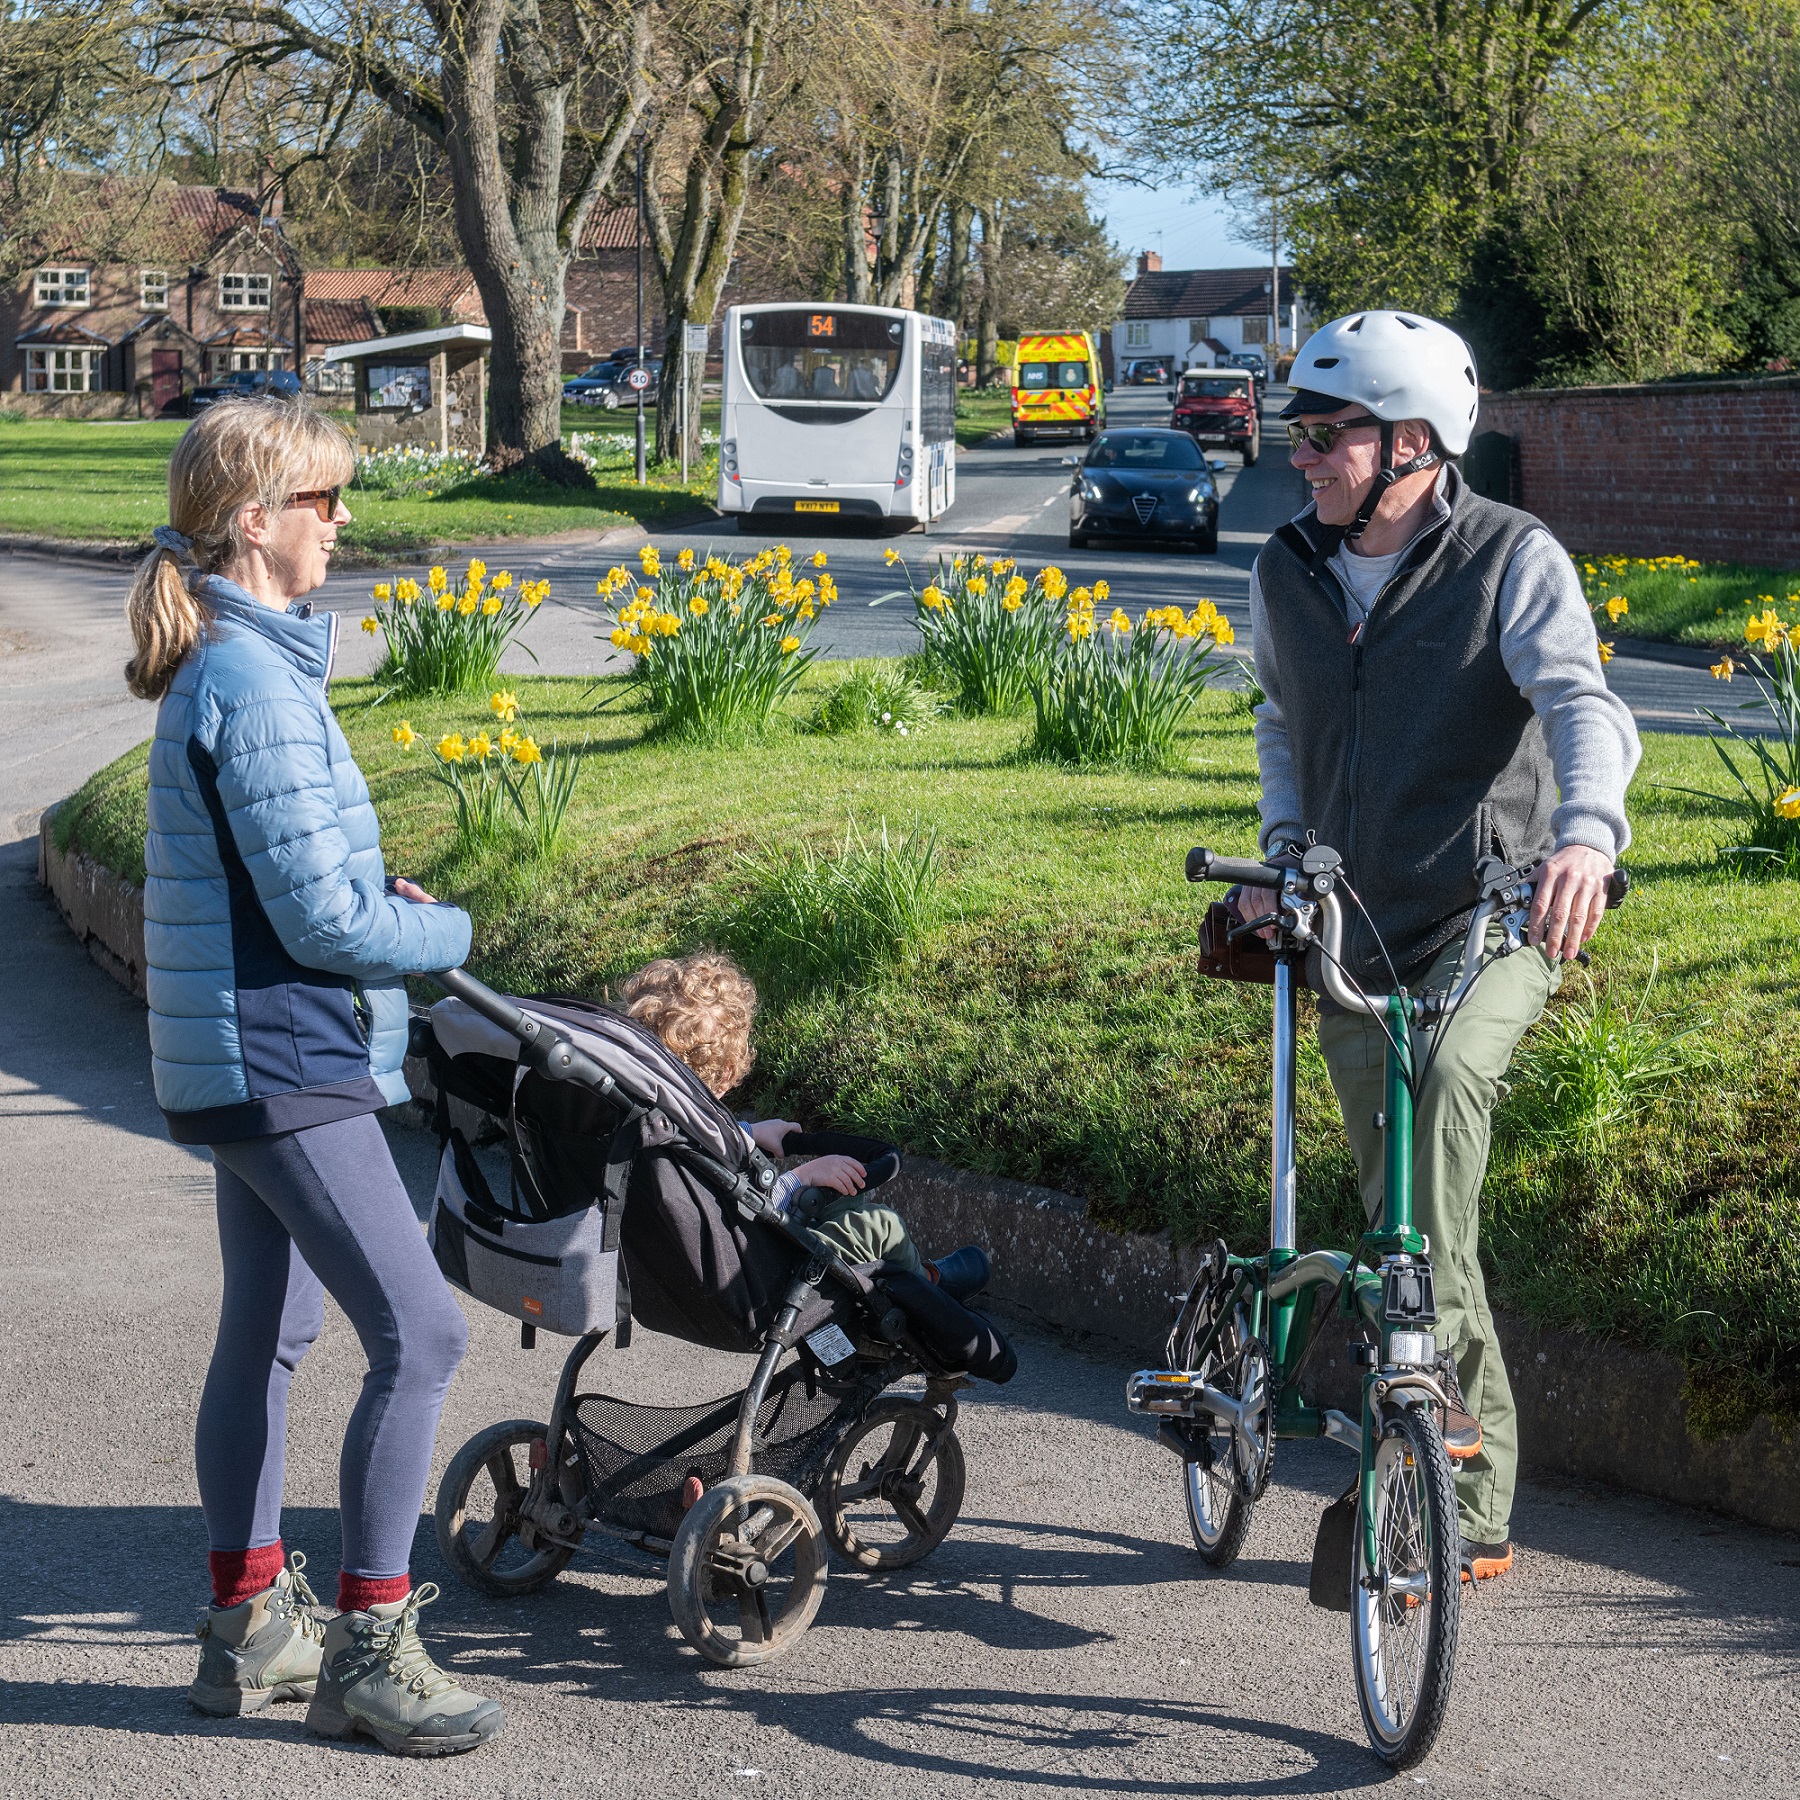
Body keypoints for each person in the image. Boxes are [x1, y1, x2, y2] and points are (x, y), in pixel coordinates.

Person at [128, 398, 502, 1755]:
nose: (343, 519)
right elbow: (327, 929)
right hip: (289, 1056)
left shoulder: (244, 668)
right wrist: (444, 929)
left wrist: (363, 897)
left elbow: (300, 886)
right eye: (325, 498)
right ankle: (372, 1650)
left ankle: (248, 1631)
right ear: (255, 521)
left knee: (273, 1335)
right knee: (428, 1334)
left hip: (245, 1055)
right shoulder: (250, 680)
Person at [1243, 312, 1641, 1583]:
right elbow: (1275, 718)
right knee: (1394, 1211)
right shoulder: (1287, 568)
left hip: (1502, 905)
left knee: (1449, 1096)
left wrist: (1585, 836)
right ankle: (1424, 1431)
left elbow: (1583, 702)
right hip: (1353, 915)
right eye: (1299, 433)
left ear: (1412, 444)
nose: (1301, 456)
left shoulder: (1509, 557)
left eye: (1328, 434)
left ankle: (1467, 1497)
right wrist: (1287, 845)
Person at [619, 952, 989, 1299]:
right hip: (753, 1279)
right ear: (729, 1072)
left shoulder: (646, 1125)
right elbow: (745, 1212)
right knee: (880, 1226)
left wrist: (747, 1133)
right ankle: (929, 1289)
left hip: (672, 1280)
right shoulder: (694, 1137)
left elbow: (702, 1159)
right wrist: (803, 1176)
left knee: (843, 1194)